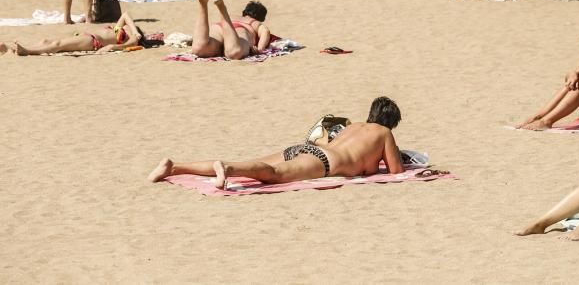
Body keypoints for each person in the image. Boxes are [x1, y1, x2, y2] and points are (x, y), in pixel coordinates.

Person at [148, 97, 404, 189]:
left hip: (310, 149)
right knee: (272, 175)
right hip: (325, 162)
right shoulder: (384, 133)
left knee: (256, 163)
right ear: (390, 122)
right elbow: (395, 171)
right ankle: (227, 170)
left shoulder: (355, 125)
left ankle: (175, 166)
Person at [0, 12, 150, 56]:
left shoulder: (131, 39)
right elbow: (125, 15)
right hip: (85, 36)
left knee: (57, 45)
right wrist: (135, 30)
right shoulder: (121, 30)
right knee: (47, 41)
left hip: (92, 42)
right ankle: (13, 49)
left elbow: (119, 46)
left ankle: (27, 51)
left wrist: (135, 35)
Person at [190, 0, 272, 59]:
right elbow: (265, 32)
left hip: (220, 26)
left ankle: (203, 5)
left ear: (244, 12)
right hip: (241, 28)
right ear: (261, 18)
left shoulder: (233, 16)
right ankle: (222, 8)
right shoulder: (255, 22)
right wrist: (260, 49)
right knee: (234, 52)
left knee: (200, 49)